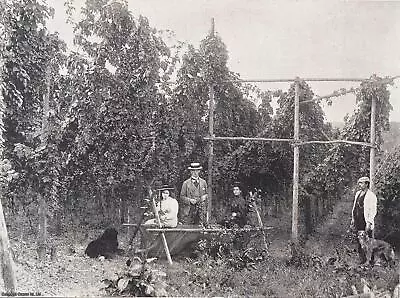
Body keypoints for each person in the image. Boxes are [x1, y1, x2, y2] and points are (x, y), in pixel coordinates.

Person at [351, 176, 378, 263]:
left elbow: (373, 210)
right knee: (359, 240)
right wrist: (353, 218)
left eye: (361, 183)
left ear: (366, 184)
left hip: (365, 221)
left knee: (369, 241)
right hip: (358, 220)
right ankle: (362, 259)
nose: (360, 185)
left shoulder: (371, 196)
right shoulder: (358, 193)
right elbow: (354, 206)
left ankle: (370, 261)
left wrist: (369, 222)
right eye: (359, 183)